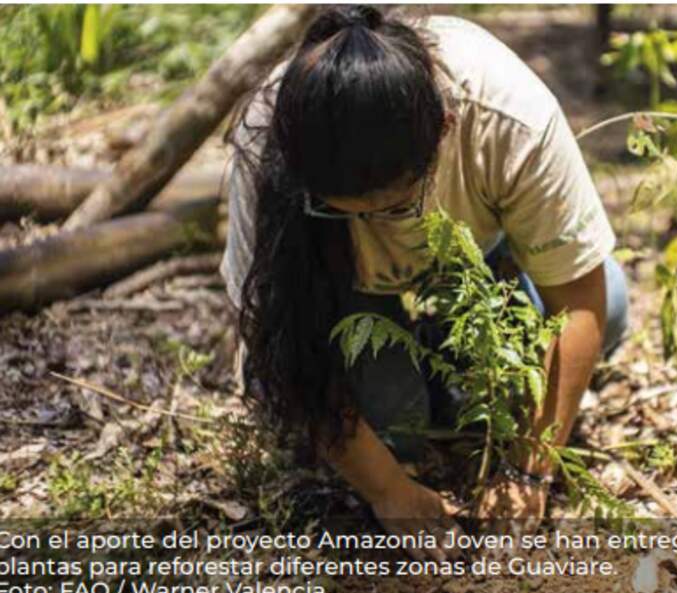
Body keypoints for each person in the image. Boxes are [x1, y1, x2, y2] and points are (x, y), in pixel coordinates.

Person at [221, 5, 628, 558]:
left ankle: (439, 356)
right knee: (396, 423)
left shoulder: (508, 114)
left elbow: (578, 301)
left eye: (392, 207)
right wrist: (388, 490)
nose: (366, 223)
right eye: (336, 209)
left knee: (615, 305)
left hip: (480, 263)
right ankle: (414, 376)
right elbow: (286, 344)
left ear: (444, 129)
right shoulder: (269, 140)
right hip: (340, 293)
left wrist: (529, 470)